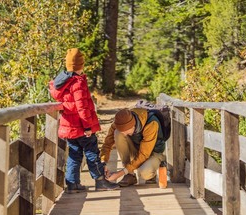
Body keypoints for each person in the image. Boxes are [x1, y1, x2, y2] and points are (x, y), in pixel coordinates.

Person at [49, 48, 118, 193]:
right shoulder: (77, 82)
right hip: (81, 126)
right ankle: (100, 181)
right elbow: (82, 108)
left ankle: (72, 184)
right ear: (80, 65)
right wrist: (87, 127)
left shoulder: (63, 83)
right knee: (92, 152)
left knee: (74, 154)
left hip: (70, 127)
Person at [100, 108, 166, 186]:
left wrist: (120, 173)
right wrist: (103, 163)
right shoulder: (119, 122)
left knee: (145, 173)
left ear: (133, 126)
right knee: (118, 133)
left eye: (126, 131)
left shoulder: (151, 123)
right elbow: (107, 144)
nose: (124, 134)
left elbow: (144, 154)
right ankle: (130, 175)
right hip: (137, 150)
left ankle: (152, 173)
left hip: (153, 153)